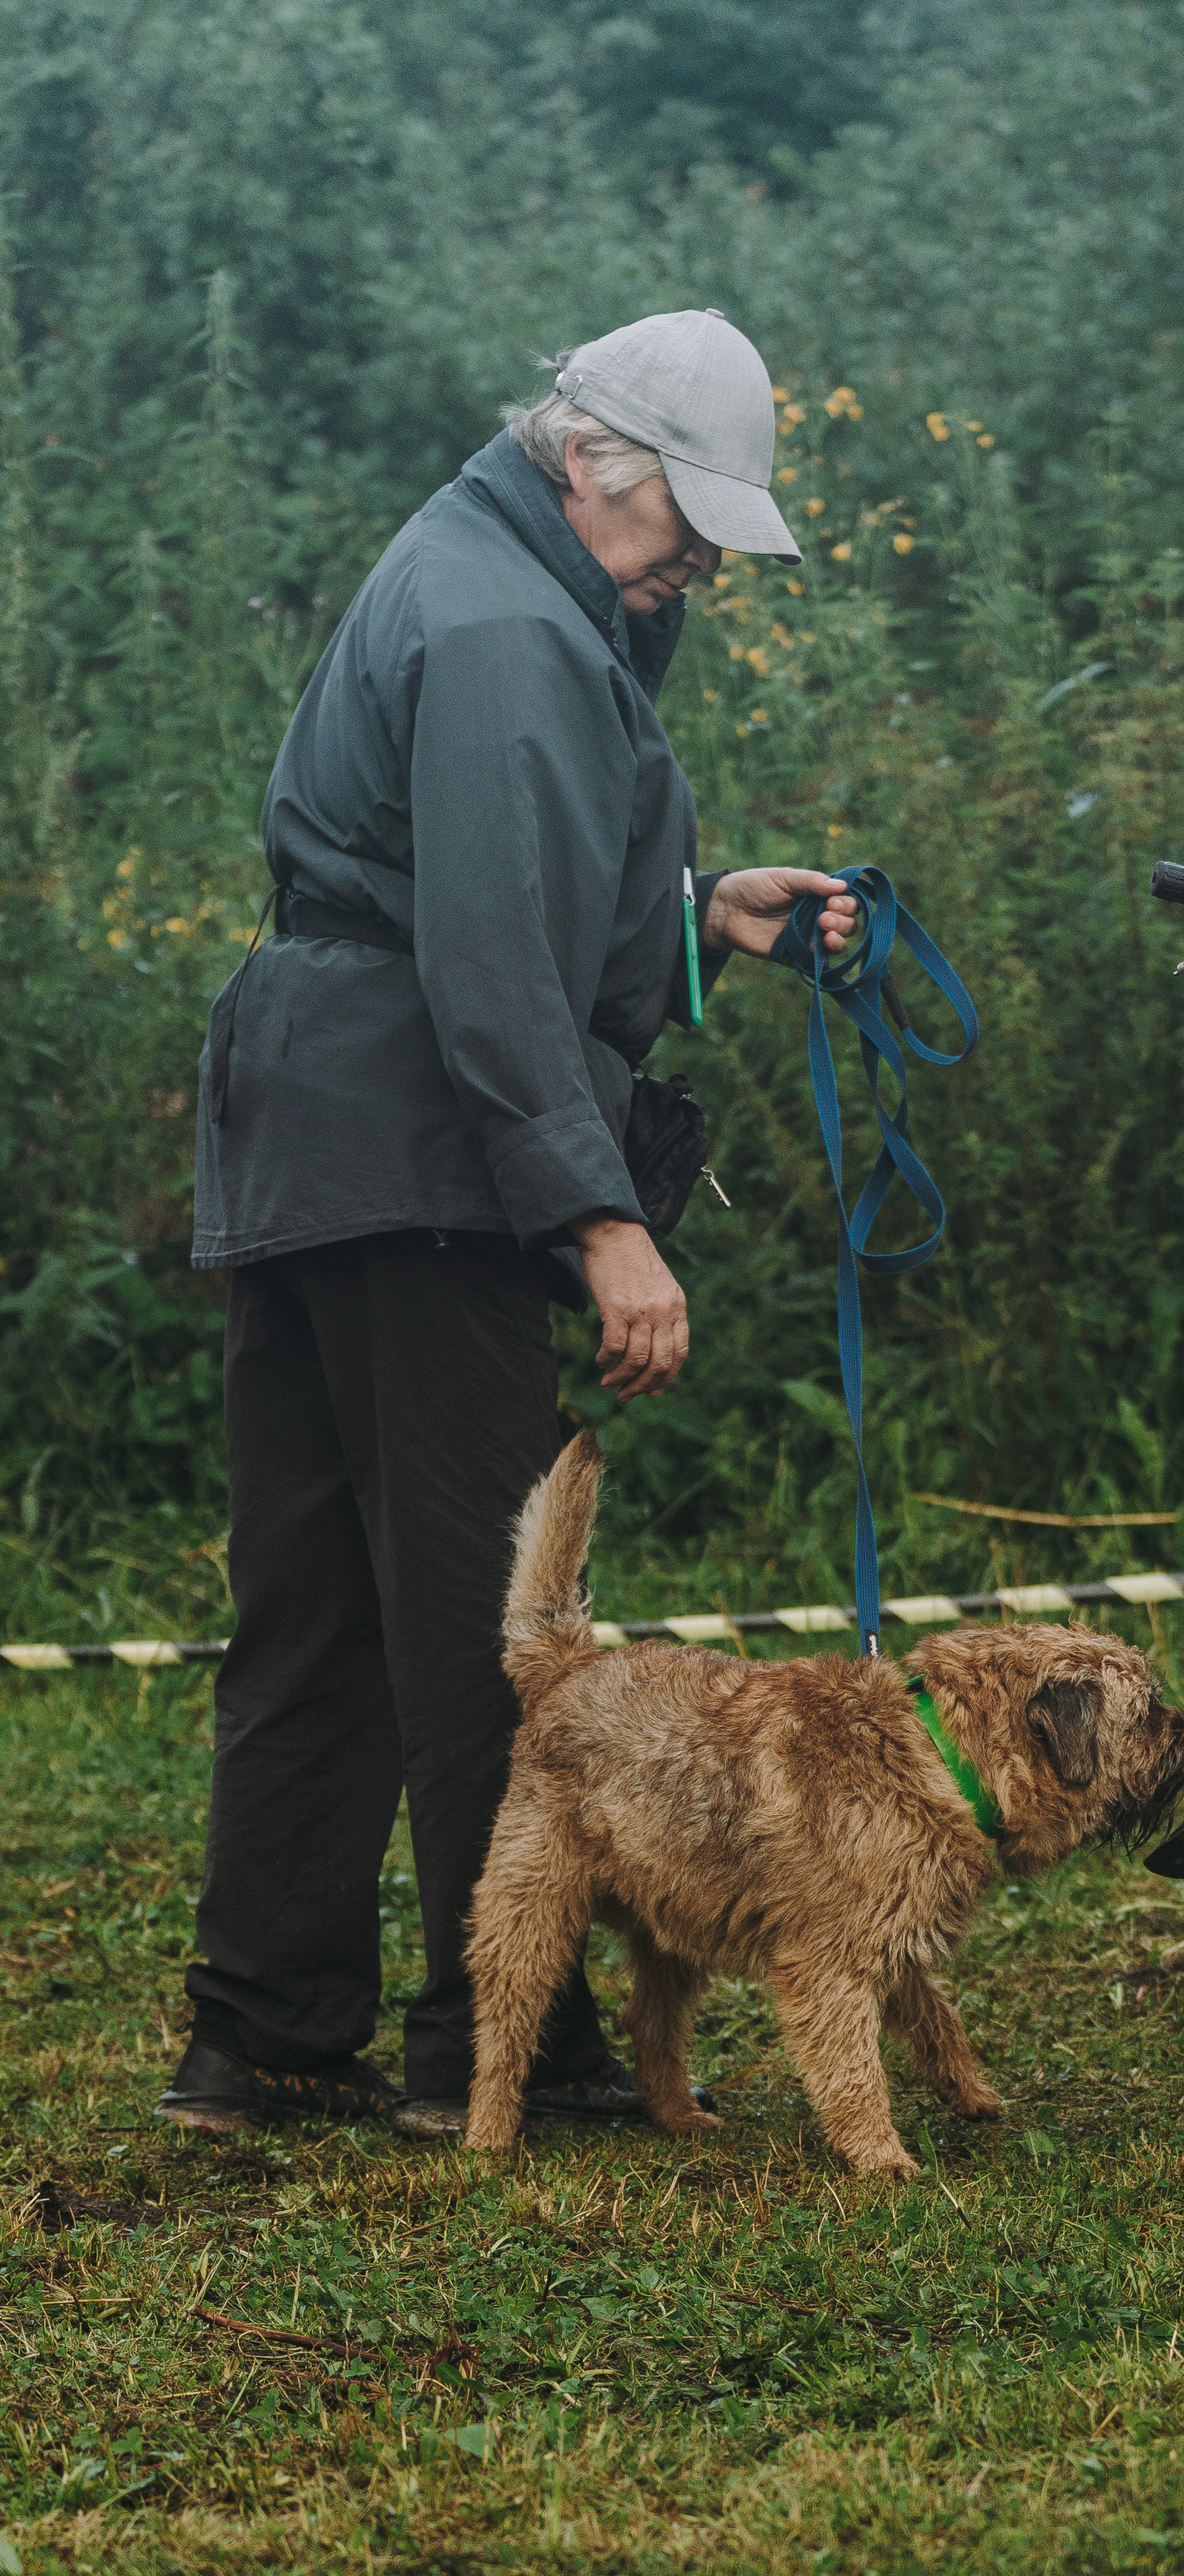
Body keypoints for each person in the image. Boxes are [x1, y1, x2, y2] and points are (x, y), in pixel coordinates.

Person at [160, 307, 855, 2138]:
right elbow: (484, 956)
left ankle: (261, 2037)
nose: (704, 549)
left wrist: (701, 915)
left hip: (321, 1134)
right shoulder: (500, 623)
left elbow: (478, 879)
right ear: (586, 457)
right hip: (417, 1148)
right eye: (687, 512)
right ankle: (503, 2037)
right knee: (492, 1613)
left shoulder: (487, 570)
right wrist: (600, 1215)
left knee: (310, 1608)